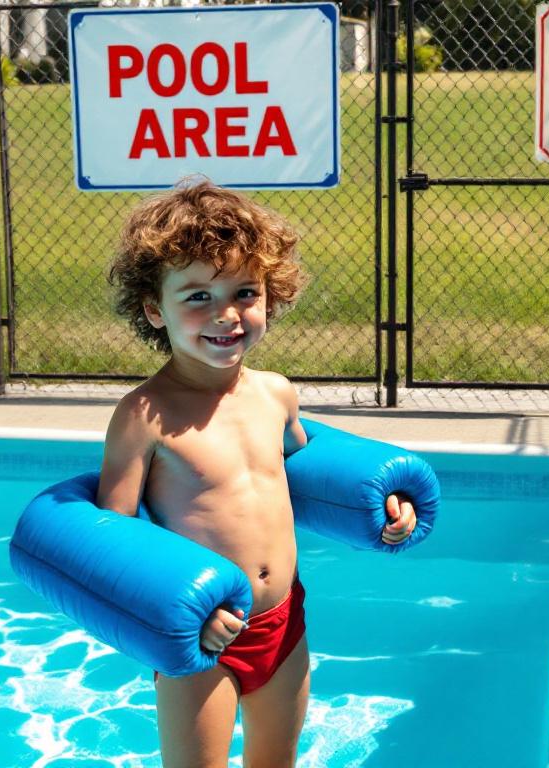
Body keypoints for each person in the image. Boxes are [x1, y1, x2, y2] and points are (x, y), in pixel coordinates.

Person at [97, 179, 419, 767]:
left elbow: (304, 474)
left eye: (245, 291)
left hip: (283, 619)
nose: (226, 315)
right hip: (201, 634)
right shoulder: (145, 416)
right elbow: (114, 537)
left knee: (277, 762)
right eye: (196, 297)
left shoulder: (276, 395)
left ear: (271, 296)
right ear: (153, 309)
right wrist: (177, 611)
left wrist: (386, 506)